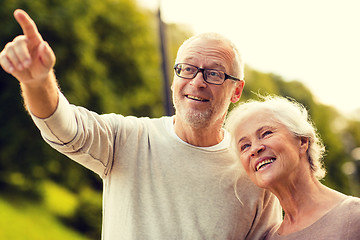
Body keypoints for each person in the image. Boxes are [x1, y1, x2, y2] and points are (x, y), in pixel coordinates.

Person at [0, 9, 282, 240]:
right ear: (175, 78)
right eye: (187, 69)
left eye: (214, 73)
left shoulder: (255, 173)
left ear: (236, 90)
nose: (197, 82)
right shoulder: (128, 138)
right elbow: (63, 125)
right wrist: (37, 81)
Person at [225, 95, 360, 240]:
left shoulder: (354, 215)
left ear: (302, 141)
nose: (255, 149)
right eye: (245, 146)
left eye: (266, 133)